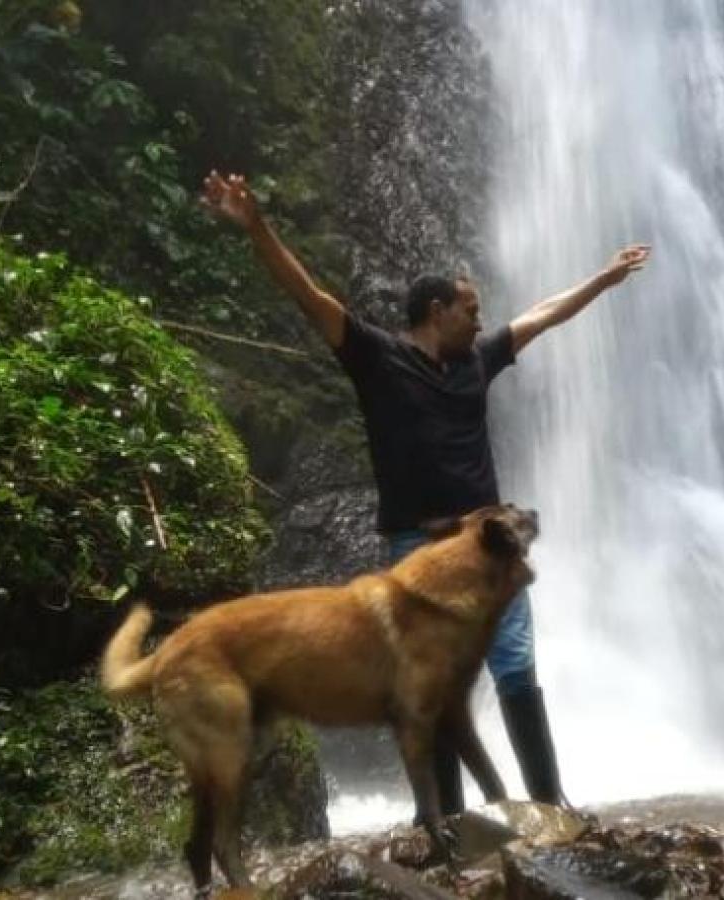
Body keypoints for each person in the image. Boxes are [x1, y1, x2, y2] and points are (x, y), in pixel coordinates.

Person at [201, 170, 650, 817]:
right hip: (420, 552)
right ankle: (444, 816)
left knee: (517, 667)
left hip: (488, 545)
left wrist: (605, 279)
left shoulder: (478, 360)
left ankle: (551, 803)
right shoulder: (377, 359)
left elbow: (542, 316)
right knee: (430, 685)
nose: (481, 319)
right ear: (436, 312)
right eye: (471, 310)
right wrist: (257, 226)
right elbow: (308, 294)